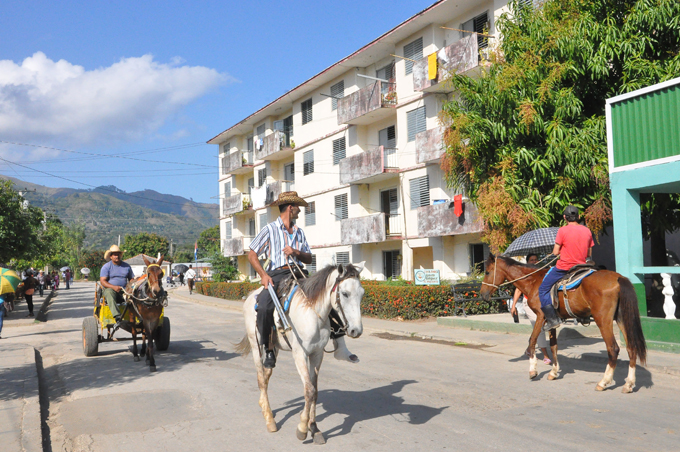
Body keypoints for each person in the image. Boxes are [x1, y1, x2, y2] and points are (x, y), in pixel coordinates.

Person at [249, 191, 357, 369]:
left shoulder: (299, 232)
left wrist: (296, 252)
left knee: (326, 298)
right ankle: (268, 348)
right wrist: (263, 275)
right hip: (276, 274)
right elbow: (252, 254)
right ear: (290, 208)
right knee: (264, 306)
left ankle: (341, 346)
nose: (300, 211)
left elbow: (308, 258)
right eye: (298, 207)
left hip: (300, 274)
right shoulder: (269, 229)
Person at [538, 206, 595, 331]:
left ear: (565, 217)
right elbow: (589, 254)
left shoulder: (562, 231)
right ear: (579, 217)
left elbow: (555, 252)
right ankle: (584, 315)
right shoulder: (587, 231)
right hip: (582, 267)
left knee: (542, 290)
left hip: (564, 268)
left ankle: (553, 320)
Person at [510, 254, 552, 364]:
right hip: (528, 303)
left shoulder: (541, 272)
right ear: (527, 262)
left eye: (535, 259)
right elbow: (518, 290)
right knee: (540, 326)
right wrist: (513, 305)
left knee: (539, 327)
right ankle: (545, 355)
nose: (534, 261)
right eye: (531, 260)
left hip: (541, 302)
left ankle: (529, 348)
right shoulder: (524, 274)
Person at [100, 245, 135, 327]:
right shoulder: (106, 267)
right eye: (115, 254)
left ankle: (139, 315)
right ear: (111, 256)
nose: (117, 256)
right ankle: (117, 317)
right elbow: (103, 281)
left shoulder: (127, 266)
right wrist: (114, 287)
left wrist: (131, 287)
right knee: (108, 292)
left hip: (124, 291)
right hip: (111, 291)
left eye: (118, 254)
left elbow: (131, 279)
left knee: (137, 293)